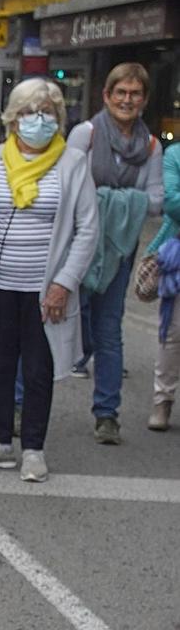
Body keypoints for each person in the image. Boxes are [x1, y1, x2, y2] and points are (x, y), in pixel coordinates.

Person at [0, 78, 97, 484]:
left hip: (46, 292)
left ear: (58, 118)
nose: (37, 120)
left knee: (39, 369)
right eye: (27, 112)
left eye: (45, 112)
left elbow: (87, 228)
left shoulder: (72, 163)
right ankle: (0, 441)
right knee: (0, 366)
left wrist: (64, 283)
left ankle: (34, 449)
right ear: (11, 119)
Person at [66, 62, 165, 444]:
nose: (127, 100)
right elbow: (69, 185)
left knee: (109, 332)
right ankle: (24, 403)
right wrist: (125, 200)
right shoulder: (85, 135)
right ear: (106, 96)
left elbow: (156, 201)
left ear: (143, 100)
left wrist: (102, 196)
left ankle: (107, 414)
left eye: (135, 93)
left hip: (119, 253)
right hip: (76, 247)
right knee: (55, 323)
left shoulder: (152, 146)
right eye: (120, 92)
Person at [145, 137, 180, 431]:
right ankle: (163, 399)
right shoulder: (175, 155)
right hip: (177, 255)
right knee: (174, 332)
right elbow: (172, 202)